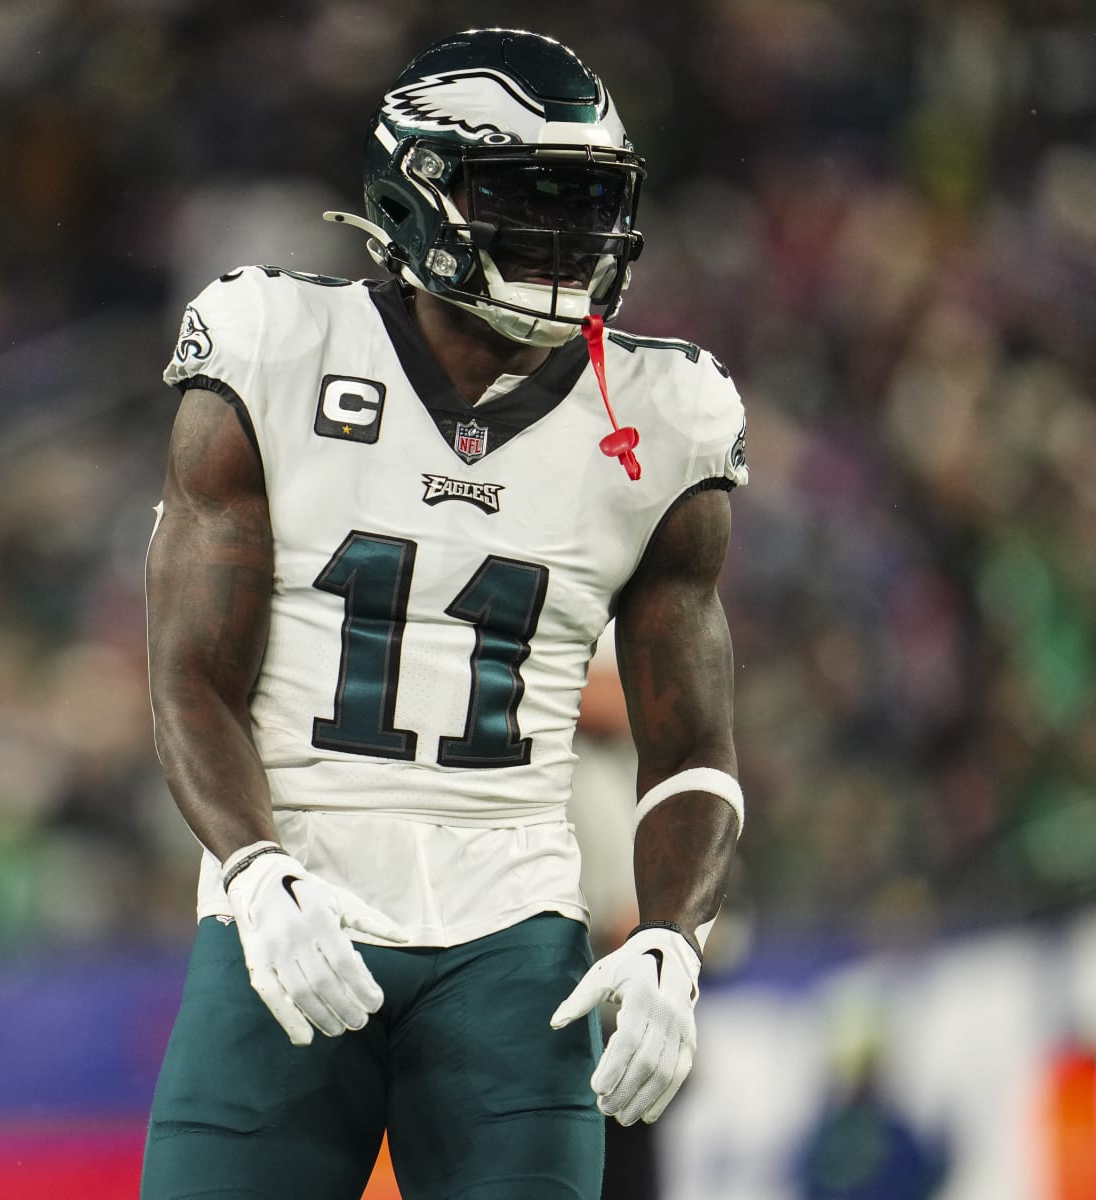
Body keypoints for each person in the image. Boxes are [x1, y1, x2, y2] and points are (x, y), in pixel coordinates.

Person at [142, 27, 750, 1200]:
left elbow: (694, 747)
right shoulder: (277, 350)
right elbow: (188, 680)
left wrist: (675, 938)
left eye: (590, 200)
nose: (570, 235)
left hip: (516, 922)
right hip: (297, 895)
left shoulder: (664, 418)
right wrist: (257, 871)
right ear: (419, 191)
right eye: (532, 197)